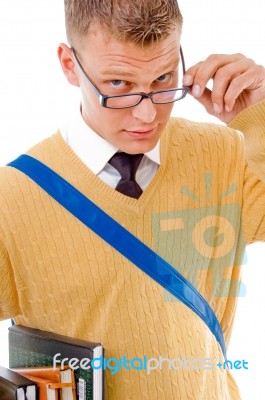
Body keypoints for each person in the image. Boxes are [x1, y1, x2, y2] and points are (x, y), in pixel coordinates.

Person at [0, 0, 265, 398]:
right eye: (118, 85)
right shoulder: (11, 197)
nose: (147, 116)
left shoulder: (229, 154)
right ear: (70, 65)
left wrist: (262, 117)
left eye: (162, 78)